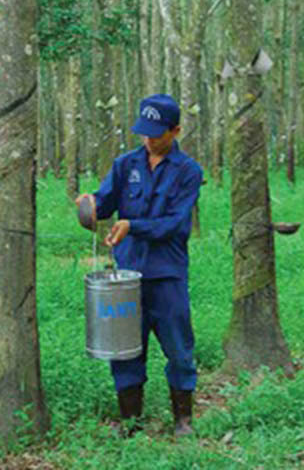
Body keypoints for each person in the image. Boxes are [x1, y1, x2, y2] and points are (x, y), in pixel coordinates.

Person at [76, 94, 202, 437]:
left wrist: (133, 226)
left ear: (175, 130)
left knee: (178, 347)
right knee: (124, 346)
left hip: (167, 275)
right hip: (127, 276)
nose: (148, 140)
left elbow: (176, 224)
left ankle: (183, 420)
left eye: (157, 133)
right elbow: (105, 201)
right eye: (144, 132)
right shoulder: (125, 165)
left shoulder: (188, 172)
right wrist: (90, 204)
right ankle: (131, 422)